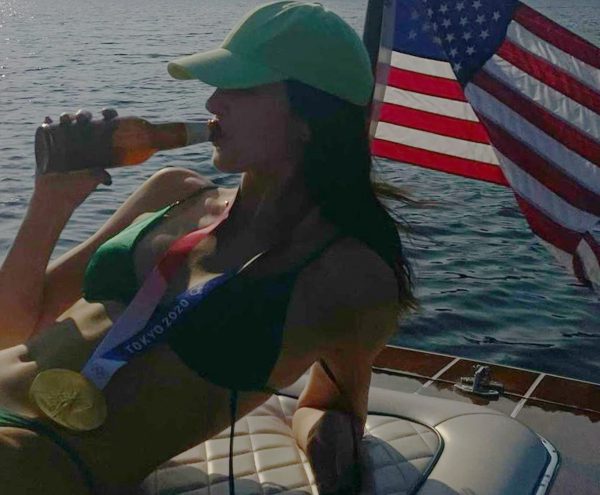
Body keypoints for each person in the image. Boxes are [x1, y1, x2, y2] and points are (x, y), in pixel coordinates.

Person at [0, 1, 415, 493]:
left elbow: (333, 404)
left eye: (241, 88)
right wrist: (51, 200)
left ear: (311, 120)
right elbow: (13, 328)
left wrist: (335, 464)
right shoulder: (173, 191)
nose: (213, 103)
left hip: (34, 466)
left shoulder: (349, 275)